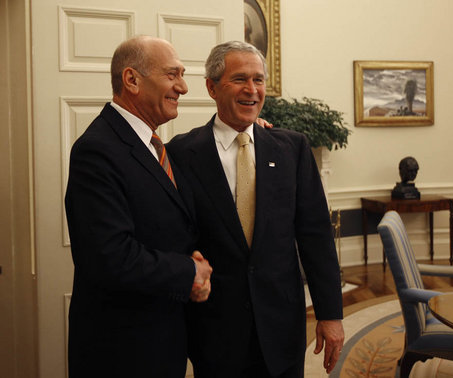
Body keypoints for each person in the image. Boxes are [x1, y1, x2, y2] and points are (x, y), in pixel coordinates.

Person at [168, 40, 345, 378]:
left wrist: (330, 314)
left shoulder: (292, 148)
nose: (252, 90)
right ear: (212, 87)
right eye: (239, 79)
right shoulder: (180, 154)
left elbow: (316, 236)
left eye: (259, 80)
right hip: (214, 331)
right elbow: (174, 235)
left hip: (283, 327)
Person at [64, 35, 212, 378]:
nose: (184, 87)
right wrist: (188, 272)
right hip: (121, 350)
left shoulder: (156, 145)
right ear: (132, 80)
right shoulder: (97, 150)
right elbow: (109, 257)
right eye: (172, 75)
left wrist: (258, 133)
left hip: (162, 339)